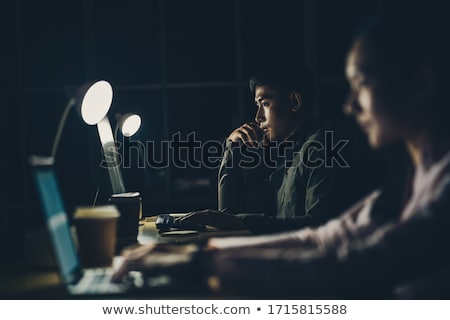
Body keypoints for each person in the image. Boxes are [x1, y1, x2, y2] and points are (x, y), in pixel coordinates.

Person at [113, 5, 450, 298]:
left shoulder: (322, 148)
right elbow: (320, 239)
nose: (349, 106)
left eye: (362, 84)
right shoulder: (410, 178)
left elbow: (352, 259)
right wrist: (201, 251)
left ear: (420, 82)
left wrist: (199, 261)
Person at [177, 63, 378, 234]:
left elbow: (320, 226)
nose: (257, 117)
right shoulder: (291, 155)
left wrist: (241, 222)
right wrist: (232, 147)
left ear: (294, 102)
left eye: (264, 103)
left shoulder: (322, 147)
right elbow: (230, 214)